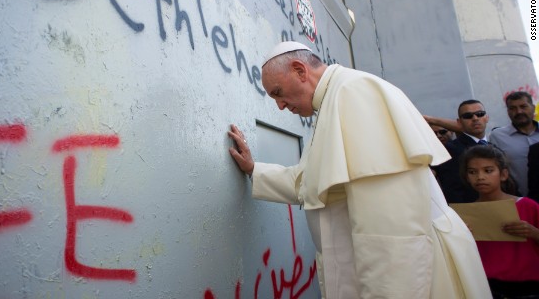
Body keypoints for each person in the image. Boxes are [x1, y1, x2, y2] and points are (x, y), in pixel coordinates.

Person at [227, 41, 490, 298]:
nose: (280, 105)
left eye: (278, 92)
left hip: (410, 278)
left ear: (299, 70)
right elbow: (309, 182)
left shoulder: (355, 93)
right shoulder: (334, 98)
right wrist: (253, 169)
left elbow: (391, 233)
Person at [459, 145, 539, 298]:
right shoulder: (464, 215)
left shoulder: (528, 206)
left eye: (488, 171)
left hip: (529, 287)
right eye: (472, 172)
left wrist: (534, 232)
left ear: (503, 174)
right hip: (485, 286)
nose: (480, 177)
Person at [432, 100, 491, 203]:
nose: (475, 118)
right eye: (468, 116)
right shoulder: (449, 149)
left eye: (480, 114)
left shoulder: (494, 147)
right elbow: (453, 189)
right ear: (459, 122)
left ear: (486, 118)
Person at [490, 91, 539, 197]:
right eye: (512, 108)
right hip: (516, 200)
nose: (519, 112)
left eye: (523, 106)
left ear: (533, 108)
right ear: (508, 111)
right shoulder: (497, 136)